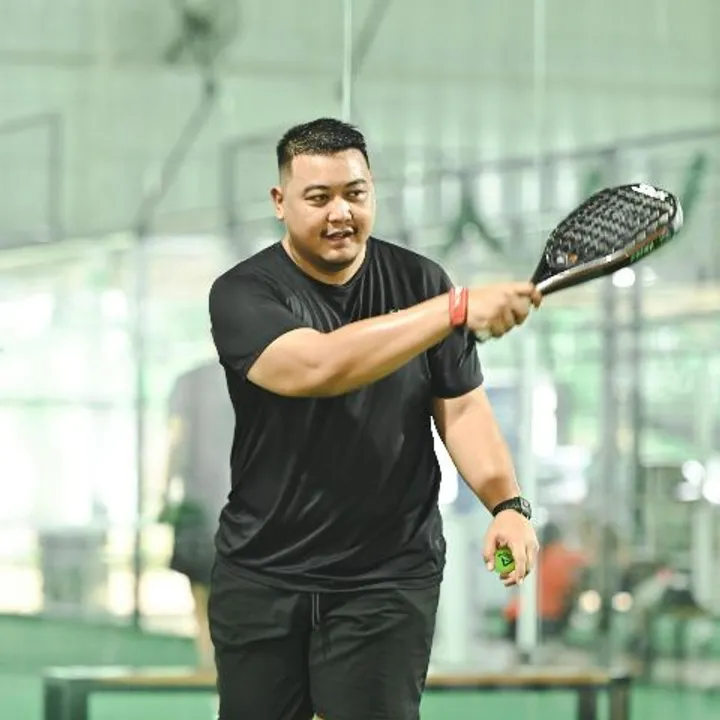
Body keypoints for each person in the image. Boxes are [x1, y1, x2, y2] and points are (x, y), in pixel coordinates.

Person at [208, 117, 542, 720]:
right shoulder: (242, 293)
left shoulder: (421, 282)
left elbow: (462, 406)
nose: (341, 213)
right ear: (281, 202)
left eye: (355, 194)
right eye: (319, 197)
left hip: (387, 578)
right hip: (263, 574)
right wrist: (453, 309)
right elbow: (319, 366)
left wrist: (507, 505)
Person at [162, 359, 234, 669]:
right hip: (243, 506)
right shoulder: (259, 374)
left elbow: (176, 442)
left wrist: (165, 493)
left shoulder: (189, 381)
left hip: (203, 509)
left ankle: (210, 664)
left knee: (203, 594)